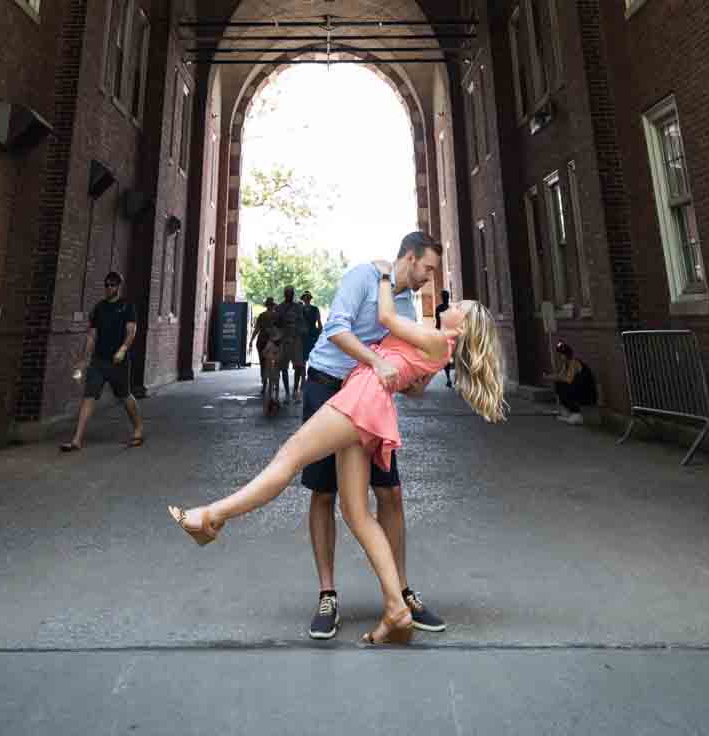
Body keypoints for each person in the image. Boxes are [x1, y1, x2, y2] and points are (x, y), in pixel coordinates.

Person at [169, 267, 506, 644]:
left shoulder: (434, 339)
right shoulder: (436, 346)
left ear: (463, 327)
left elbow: (386, 317)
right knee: (356, 513)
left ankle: (209, 517)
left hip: (359, 403)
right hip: (365, 406)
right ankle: (396, 609)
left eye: (459, 305)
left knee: (287, 459)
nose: (452, 302)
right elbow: (408, 375)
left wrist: (382, 277)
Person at [301, 232, 447, 643]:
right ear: (409, 257)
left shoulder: (405, 308)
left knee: (391, 493)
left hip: (369, 399)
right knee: (324, 493)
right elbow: (335, 329)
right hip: (327, 386)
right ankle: (327, 595)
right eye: (428, 269)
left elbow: (408, 383)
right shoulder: (362, 278)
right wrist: (376, 361)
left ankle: (401, 592)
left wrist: (427, 372)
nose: (428, 279)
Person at [61, 270, 144, 451]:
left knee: (124, 396)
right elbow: (92, 336)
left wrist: (123, 349)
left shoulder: (127, 306)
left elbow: (131, 331)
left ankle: (138, 428)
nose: (108, 288)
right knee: (89, 396)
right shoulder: (99, 308)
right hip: (99, 361)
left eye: (112, 285)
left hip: (118, 362)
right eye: (106, 285)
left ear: (118, 287)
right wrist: (84, 360)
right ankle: (76, 439)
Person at [553, 339, 598, 424]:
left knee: (563, 385)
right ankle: (569, 411)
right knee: (559, 384)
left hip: (587, 394)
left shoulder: (574, 362)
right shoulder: (566, 364)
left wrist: (557, 378)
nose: (559, 357)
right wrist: (550, 377)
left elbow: (568, 379)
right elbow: (561, 376)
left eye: (561, 355)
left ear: (566, 355)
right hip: (579, 391)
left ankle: (576, 413)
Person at [252, 298, 284, 413]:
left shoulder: (262, 315)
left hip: (262, 341)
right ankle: (273, 387)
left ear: (266, 305)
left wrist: (251, 340)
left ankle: (264, 384)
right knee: (275, 366)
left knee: (263, 363)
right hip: (274, 342)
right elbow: (281, 331)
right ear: (273, 305)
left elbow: (257, 329)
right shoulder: (277, 316)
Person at [277, 284, 307, 401]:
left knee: (298, 366)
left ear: (293, 294)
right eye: (287, 293)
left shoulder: (298, 307)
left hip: (296, 340)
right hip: (284, 340)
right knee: (283, 367)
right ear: (284, 294)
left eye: (291, 293)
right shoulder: (279, 308)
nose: (289, 295)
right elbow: (276, 324)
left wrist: (301, 331)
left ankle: (295, 390)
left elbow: (303, 323)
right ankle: (287, 393)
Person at [435, 286, 454, 389]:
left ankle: (448, 379)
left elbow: (438, 322)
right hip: (451, 333)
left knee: (446, 356)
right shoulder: (451, 308)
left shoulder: (439, 308)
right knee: (453, 355)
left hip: (443, 333)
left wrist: (436, 333)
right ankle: (452, 379)